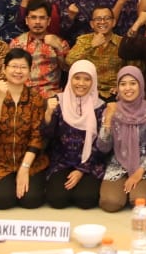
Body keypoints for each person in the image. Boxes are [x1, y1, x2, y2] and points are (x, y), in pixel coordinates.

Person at [0, 49, 48, 209]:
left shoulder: (36, 98)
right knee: (2, 201)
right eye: (14, 66)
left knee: (31, 201)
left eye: (23, 67)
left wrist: (24, 168)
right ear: (4, 69)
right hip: (0, 163)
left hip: (29, 162)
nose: (18, 71)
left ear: (30, 70)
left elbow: (37, 136)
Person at [95, 64, 146, 211]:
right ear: (118, 88)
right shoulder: (111, 110)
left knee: (141, 201)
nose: (128, 88)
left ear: (141, 85)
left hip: (143, 167)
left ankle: (135, 190)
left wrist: (137, 174)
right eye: (123, 84)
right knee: (110, 203)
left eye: (133, 83)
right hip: (117, 165)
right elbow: (103, 148)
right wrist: (107, 121)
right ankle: (122, 191)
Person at [43, 58, 108, 209]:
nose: (81, 83)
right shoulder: (57, 101)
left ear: (93, 82)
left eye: (87, 79)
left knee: (86, 200)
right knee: (57, 200)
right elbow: (47, 135)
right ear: (70, 78)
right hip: (62, 161)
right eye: (77, 78)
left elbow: (102, 145)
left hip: (90, 163)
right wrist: (48, 114)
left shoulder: (100, 106)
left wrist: (81, 171)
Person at [10, 0, 69, 97]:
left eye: (42, 18)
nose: (37, 22)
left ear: (49, 21)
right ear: (26, 20)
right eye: (33, 17)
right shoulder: (17, 43)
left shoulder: (60, 42)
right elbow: (10, 71)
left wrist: (58, 49)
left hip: (51, 95)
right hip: (23, 95)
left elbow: (68, 69)